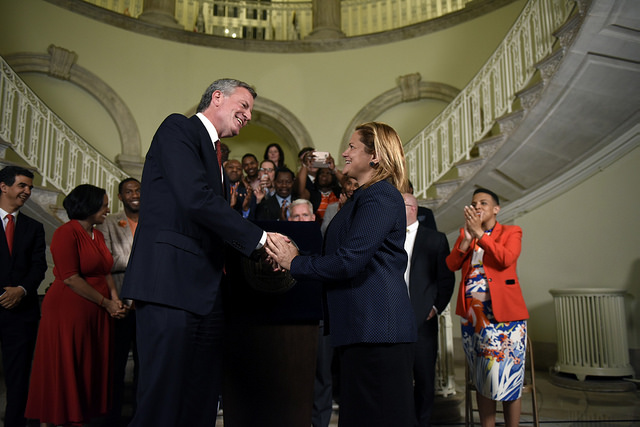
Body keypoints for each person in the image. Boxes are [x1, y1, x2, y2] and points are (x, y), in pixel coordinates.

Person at [120, 79, 283, 427]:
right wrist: (260, 239)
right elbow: (196, 199)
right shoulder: (178, 128)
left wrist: (258, 254)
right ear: (217, 97)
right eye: (244, 105)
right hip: (169, 287)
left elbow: (214, 226)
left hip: (207, 296)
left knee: (201, 402)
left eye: (251, 110)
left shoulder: (218, 159)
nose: (249, 115)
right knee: (161, 404)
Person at [266, 122, 417, 427]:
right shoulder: (362, 197)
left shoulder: (380, 196)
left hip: (377, 330)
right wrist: (291, 258)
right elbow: (338, 257)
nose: (344, 153)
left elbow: (349, 261)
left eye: (352, 147)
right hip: (362, 327)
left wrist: (296, 263)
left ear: (374, 156)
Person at [25, 184, 127, 426]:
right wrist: (106, 303)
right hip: (69, 310)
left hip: (96, 311)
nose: (107, 209)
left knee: (87, 367)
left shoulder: (98, 234)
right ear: (89, 206)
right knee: (67, 366)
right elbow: (70, 278)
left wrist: (115, 300)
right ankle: (59, 418)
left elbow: (106, 272)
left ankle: (79, 416)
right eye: (103, 205)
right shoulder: (66, 233)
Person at [445, 188, 528, 427]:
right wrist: (467, 239)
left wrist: (480, 234)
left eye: (483, 202)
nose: (478, 206)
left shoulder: (511, 232)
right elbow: (451, 264)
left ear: (496, 209)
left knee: (509, 379)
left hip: (504, 320)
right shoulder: (466, 234)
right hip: (473, 319)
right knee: (483, 378)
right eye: (474, 203)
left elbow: (505, 259)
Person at [0, 166, 47, 427]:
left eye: (30, 187)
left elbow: (39, 266)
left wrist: (22, 290)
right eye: (22, 186)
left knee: (18, 377)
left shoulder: (34, 227)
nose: (27, 191)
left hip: (22, 311)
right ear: (4, 186)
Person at [403, 192, 455, 427]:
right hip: (393, 321)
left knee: (424, 379)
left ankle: (421, 423)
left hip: (423, 321)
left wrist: (434, 307)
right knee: (398, 380)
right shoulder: (387, 238)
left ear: (412, 208)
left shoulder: (436, 239)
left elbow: (445, 280)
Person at [96, 177, 141, 426]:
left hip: (148, 306)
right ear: (120, 197)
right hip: (120, 303)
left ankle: (141, 415)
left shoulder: (154, 218)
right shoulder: (109, 222)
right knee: (116, 364)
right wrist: (144, 261)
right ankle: (111, 418)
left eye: (138, 190)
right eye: (128, 191)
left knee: (145, 367)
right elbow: (107, 261)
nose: (134, 194)